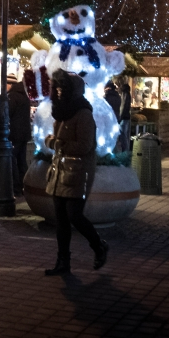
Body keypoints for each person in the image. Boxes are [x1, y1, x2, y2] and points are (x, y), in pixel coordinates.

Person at [44, 70, 108, 276]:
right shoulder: (62, 111)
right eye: (58, 87)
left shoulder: (83, 113)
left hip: (78, 172)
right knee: (61, 218)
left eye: (63, 87)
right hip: (60, 170)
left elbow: (84, 146)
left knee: (74, 215)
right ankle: (63, 261)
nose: (60, 91)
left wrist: (55, 143)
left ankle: (98, 245)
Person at [0, 73, 33, 197]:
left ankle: (15, 188)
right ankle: (23, 187)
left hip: (14, 134)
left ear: (9, 84)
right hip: (23, 134)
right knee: (21, 161)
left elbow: (4, 114)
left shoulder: (12, 97)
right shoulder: (23, 95)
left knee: (12, 160)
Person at [116, 80, 132, 153]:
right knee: (125, 135)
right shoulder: (127, 93)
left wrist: (120, 117)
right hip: (126, 117)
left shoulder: (124, 94)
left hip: (124, 117)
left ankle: (125, 151)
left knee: (123, 135)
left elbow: (123, 106)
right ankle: (126, 150)